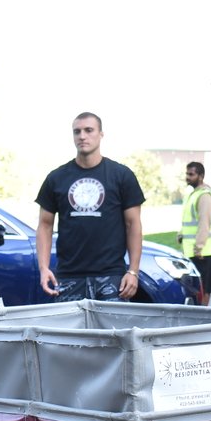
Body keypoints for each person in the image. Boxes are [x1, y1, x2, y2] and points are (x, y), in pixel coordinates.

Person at [35, 112, 145, 302]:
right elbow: (45, 226)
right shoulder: (57, 178)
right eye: (77, 132)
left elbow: (133, 225)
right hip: (69, 277)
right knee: (69, 333)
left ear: (101, 134)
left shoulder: (121, 175)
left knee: (113, 332)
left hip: (111, 277)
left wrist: (133, 271)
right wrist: (44, 268)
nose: (82, 136)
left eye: (89, 130)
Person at [178, 161, 211, 304]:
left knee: (204, 288)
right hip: (195, 251)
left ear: (201, 176)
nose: (188, 177)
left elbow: (204, 223)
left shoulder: (204, 196)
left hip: (204, 252)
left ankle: (203, 315)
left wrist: (199, 247)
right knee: (196, 287)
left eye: (191, 174)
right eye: (187, 174)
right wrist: (181, 234)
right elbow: (190, 220)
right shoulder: (193, 194)